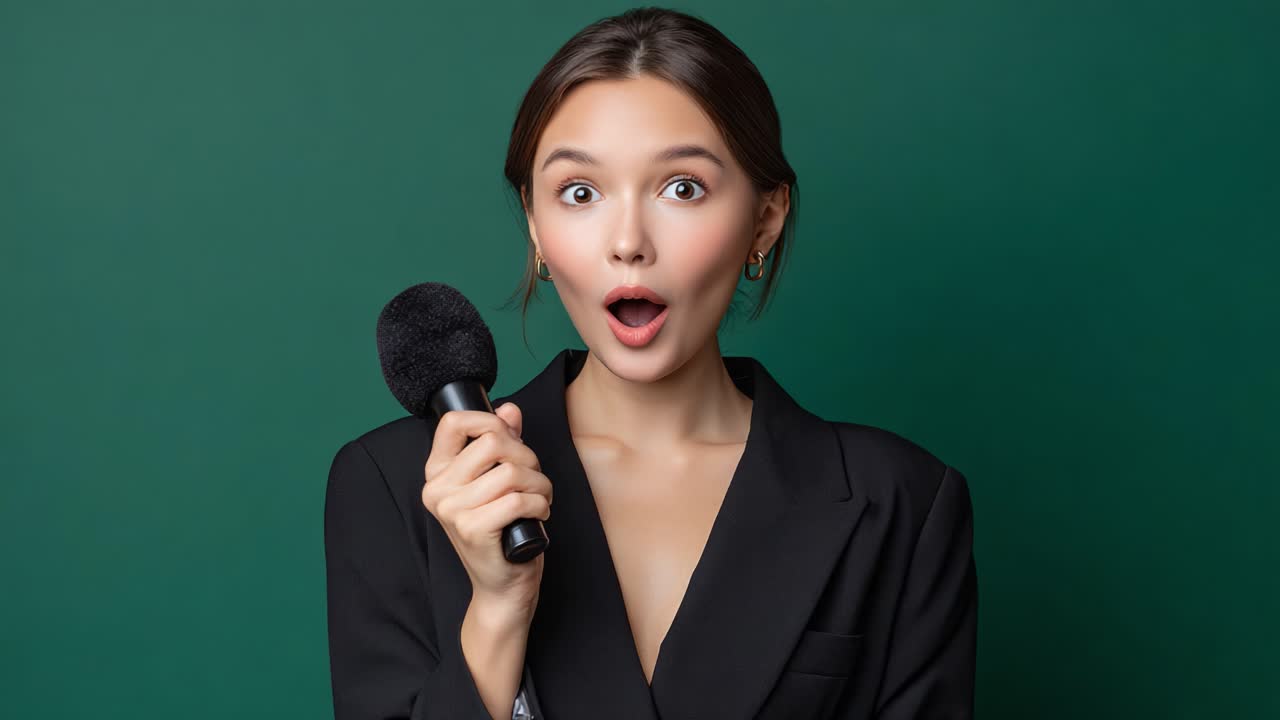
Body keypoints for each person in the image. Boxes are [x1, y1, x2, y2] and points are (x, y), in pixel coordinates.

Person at [324, 7, 977, 719]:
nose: (629, 242)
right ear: (536, 224)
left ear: (766, 218)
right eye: (580, 193)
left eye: (682, 188)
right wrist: (498, 612)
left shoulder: (902, 503)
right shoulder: (395, 486)